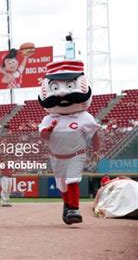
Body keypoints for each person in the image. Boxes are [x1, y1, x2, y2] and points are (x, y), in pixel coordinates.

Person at [38, 60, 100, 225]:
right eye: (56, 88)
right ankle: (67, 205)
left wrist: (96, 151)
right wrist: (49, 130)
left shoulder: (84, 117)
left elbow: (94, 133)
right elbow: (43, 137)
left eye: (70, 86)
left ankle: (74, 208)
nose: (62, 93)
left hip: (76, 155)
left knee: (72, 179)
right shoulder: (48, 118)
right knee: (62, 185)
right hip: (56, 157)